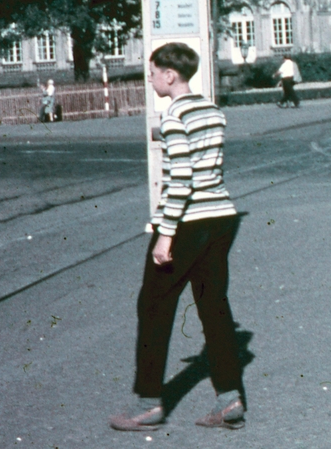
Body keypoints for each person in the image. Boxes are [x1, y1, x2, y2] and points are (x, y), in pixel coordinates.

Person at [109, 43, 245, 432]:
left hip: (189, 223)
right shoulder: (213, 111)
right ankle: (229, 397)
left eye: (152, 73)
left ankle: (149, 403)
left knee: (153, 307)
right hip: (223, 217)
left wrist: (164, 236)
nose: (149, 79)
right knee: (214, 307)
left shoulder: (174, 115)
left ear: (170, 75)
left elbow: (181, 180)